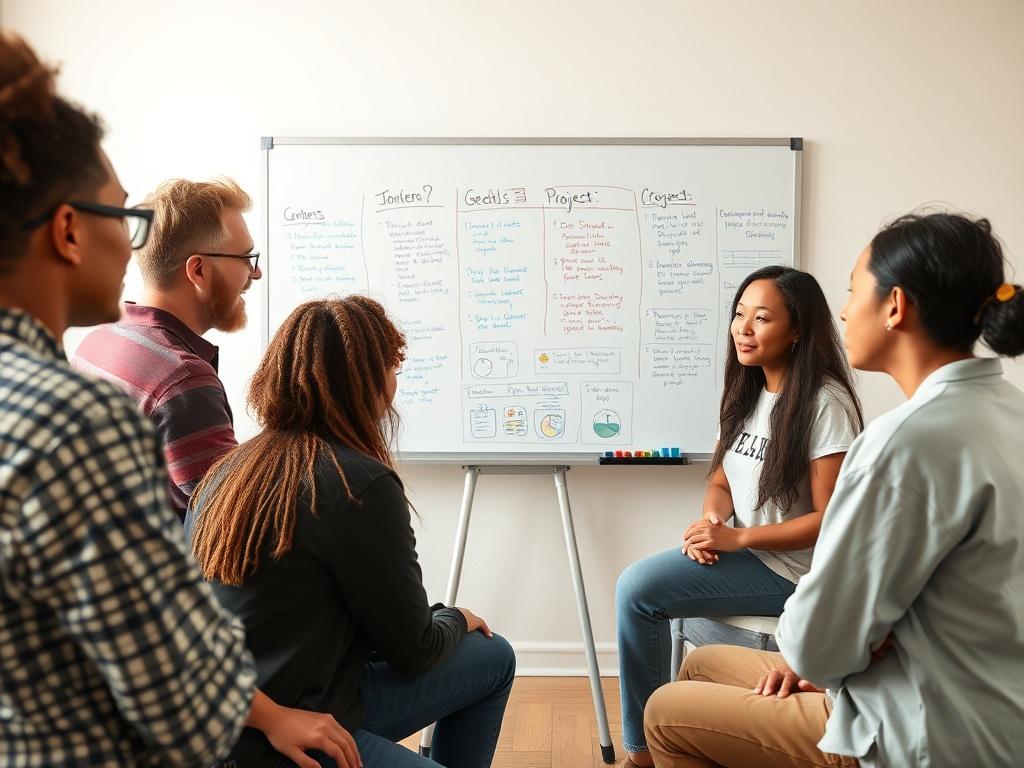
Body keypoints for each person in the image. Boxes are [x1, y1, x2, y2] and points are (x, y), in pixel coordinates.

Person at [643, 212, 1024, 767]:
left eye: (853, 290)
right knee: (704, 666)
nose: (844, 310)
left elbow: (819, 639)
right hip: (991, 702)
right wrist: (856, 640)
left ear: (894, 307)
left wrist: (836, 649)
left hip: (916, 721)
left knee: (666, 712)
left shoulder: (901, 443)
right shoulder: (1008, 413)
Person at [0, 30, 256, 765]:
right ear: (71, 231)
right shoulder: (80, 421)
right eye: (125, 216)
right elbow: (195, 714)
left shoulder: (89, 353)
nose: (135, 248)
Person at [185, 296, 517, 768]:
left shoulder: (230, 471)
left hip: (226, 718)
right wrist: (456, 617)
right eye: (391, 366)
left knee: (492, 658)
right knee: (472, 641)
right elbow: (415, 651)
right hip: (287, 735)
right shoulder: (359, 483)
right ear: (370, 382)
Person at [616, 266, 862, 766]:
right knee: (638, 588)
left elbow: (833, 520)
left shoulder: (824, 404)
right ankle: (651, 742)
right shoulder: (746, 392)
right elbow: (721, 482)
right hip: (752, 556)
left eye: (762, 317)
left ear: (797, 330)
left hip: (797, 572)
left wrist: (741, 538)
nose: (743, 328)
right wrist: (712, 525)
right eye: (739, 314)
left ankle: (642, 752)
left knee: (637, 590)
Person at [73, 177, 260, 520]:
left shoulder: (97, 340)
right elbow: (241, 522)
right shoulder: (183, 380)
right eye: (246, 258)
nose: (256, 272)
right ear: (198, 270)